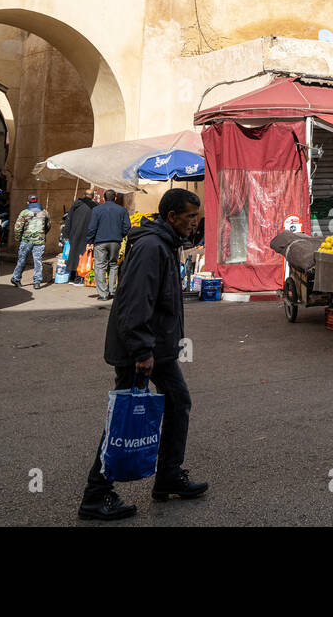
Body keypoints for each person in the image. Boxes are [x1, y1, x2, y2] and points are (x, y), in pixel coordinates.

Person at [79, 188, 207, 521]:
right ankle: (96, 493)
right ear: (172, 217)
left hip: (156, 347)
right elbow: (135, 303)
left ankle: (167, 477)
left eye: (196, 215)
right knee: (124, 417)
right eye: (190, 217)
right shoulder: (153, 247)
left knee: (178, 402)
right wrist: (142, 351)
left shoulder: (164, 244)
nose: (195, 222)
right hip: (141, 349)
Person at [87, 190, 131, 302]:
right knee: (113, 265)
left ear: (104, 198)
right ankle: (112, 291)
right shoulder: (122, 210)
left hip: (100, 242)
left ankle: (103, 294)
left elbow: (92, 227)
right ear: (115, 198)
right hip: (115, 242)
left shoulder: (97, 210)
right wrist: (120, 234)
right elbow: (127, 226)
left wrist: (90, 241)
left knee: (100, 266)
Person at [11, 195, 51, 289]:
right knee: (38, 261)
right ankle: (37, 282)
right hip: (39, 241)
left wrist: (18, 238)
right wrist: (42, 234)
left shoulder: (24, 212)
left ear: (28, 202)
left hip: (26, 240)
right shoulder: (45, 212)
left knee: (22, 260)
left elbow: (17, 227)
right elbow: (48, 226)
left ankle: (16, 279)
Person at [63, 190, 99, 284]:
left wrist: (66, 234)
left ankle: (71, 277)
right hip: (87, 234)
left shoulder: (76, 204)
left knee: (74, 253)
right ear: (93, 196)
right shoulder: (95, 207)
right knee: (83, 256)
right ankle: (79, 278)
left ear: (84, 195)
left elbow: (68, 219)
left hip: (74, 233)